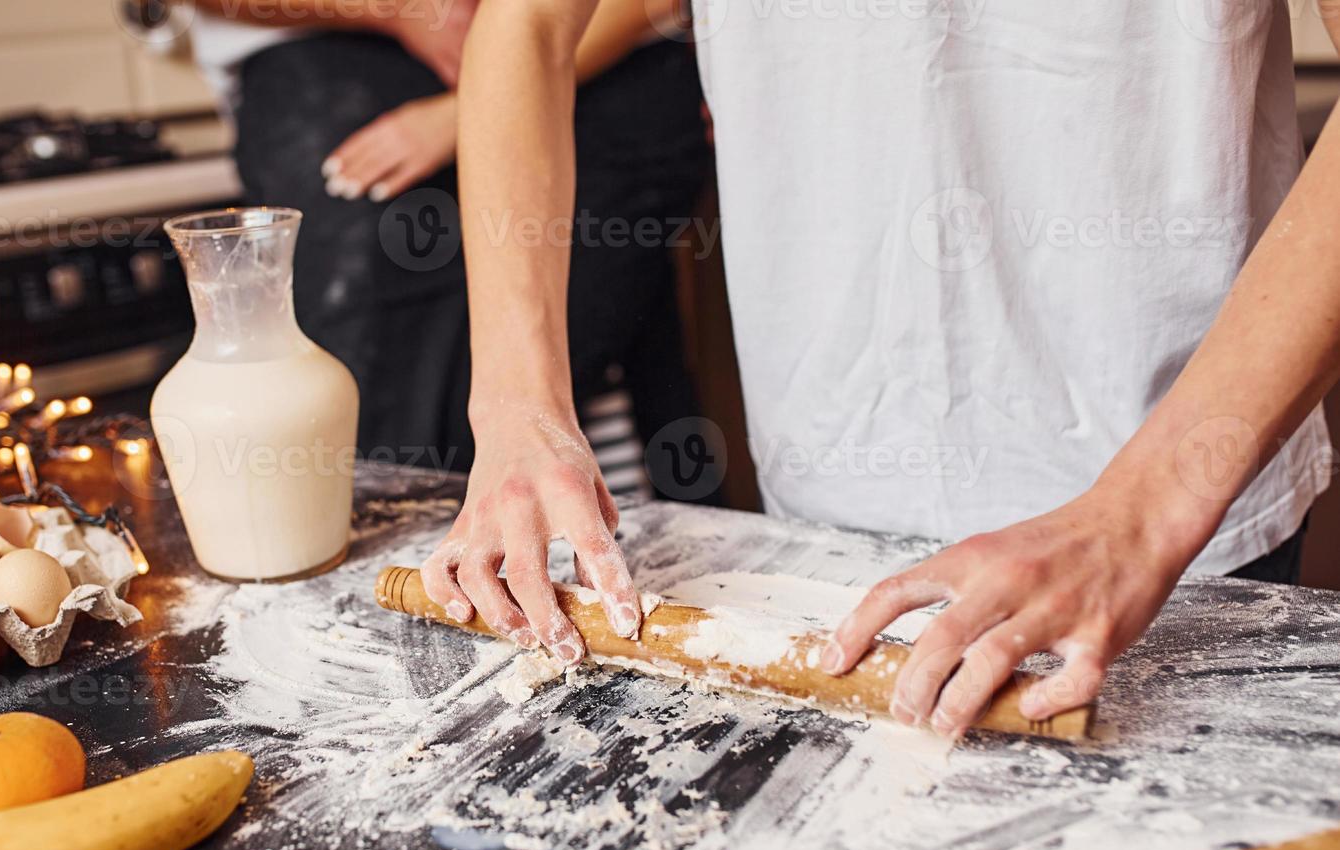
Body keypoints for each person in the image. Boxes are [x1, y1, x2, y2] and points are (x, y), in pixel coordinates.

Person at [421, 1, 1339, 736]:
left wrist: (1142, 516)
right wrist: (515, 403)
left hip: (1175, 501)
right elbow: (530, 24)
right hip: (828, 502)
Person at [188, 0, 714, 479]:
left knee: (605, 359)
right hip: (330, 73)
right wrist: (400, 11)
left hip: (609, 61)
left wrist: (467, 110)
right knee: (398, 421)